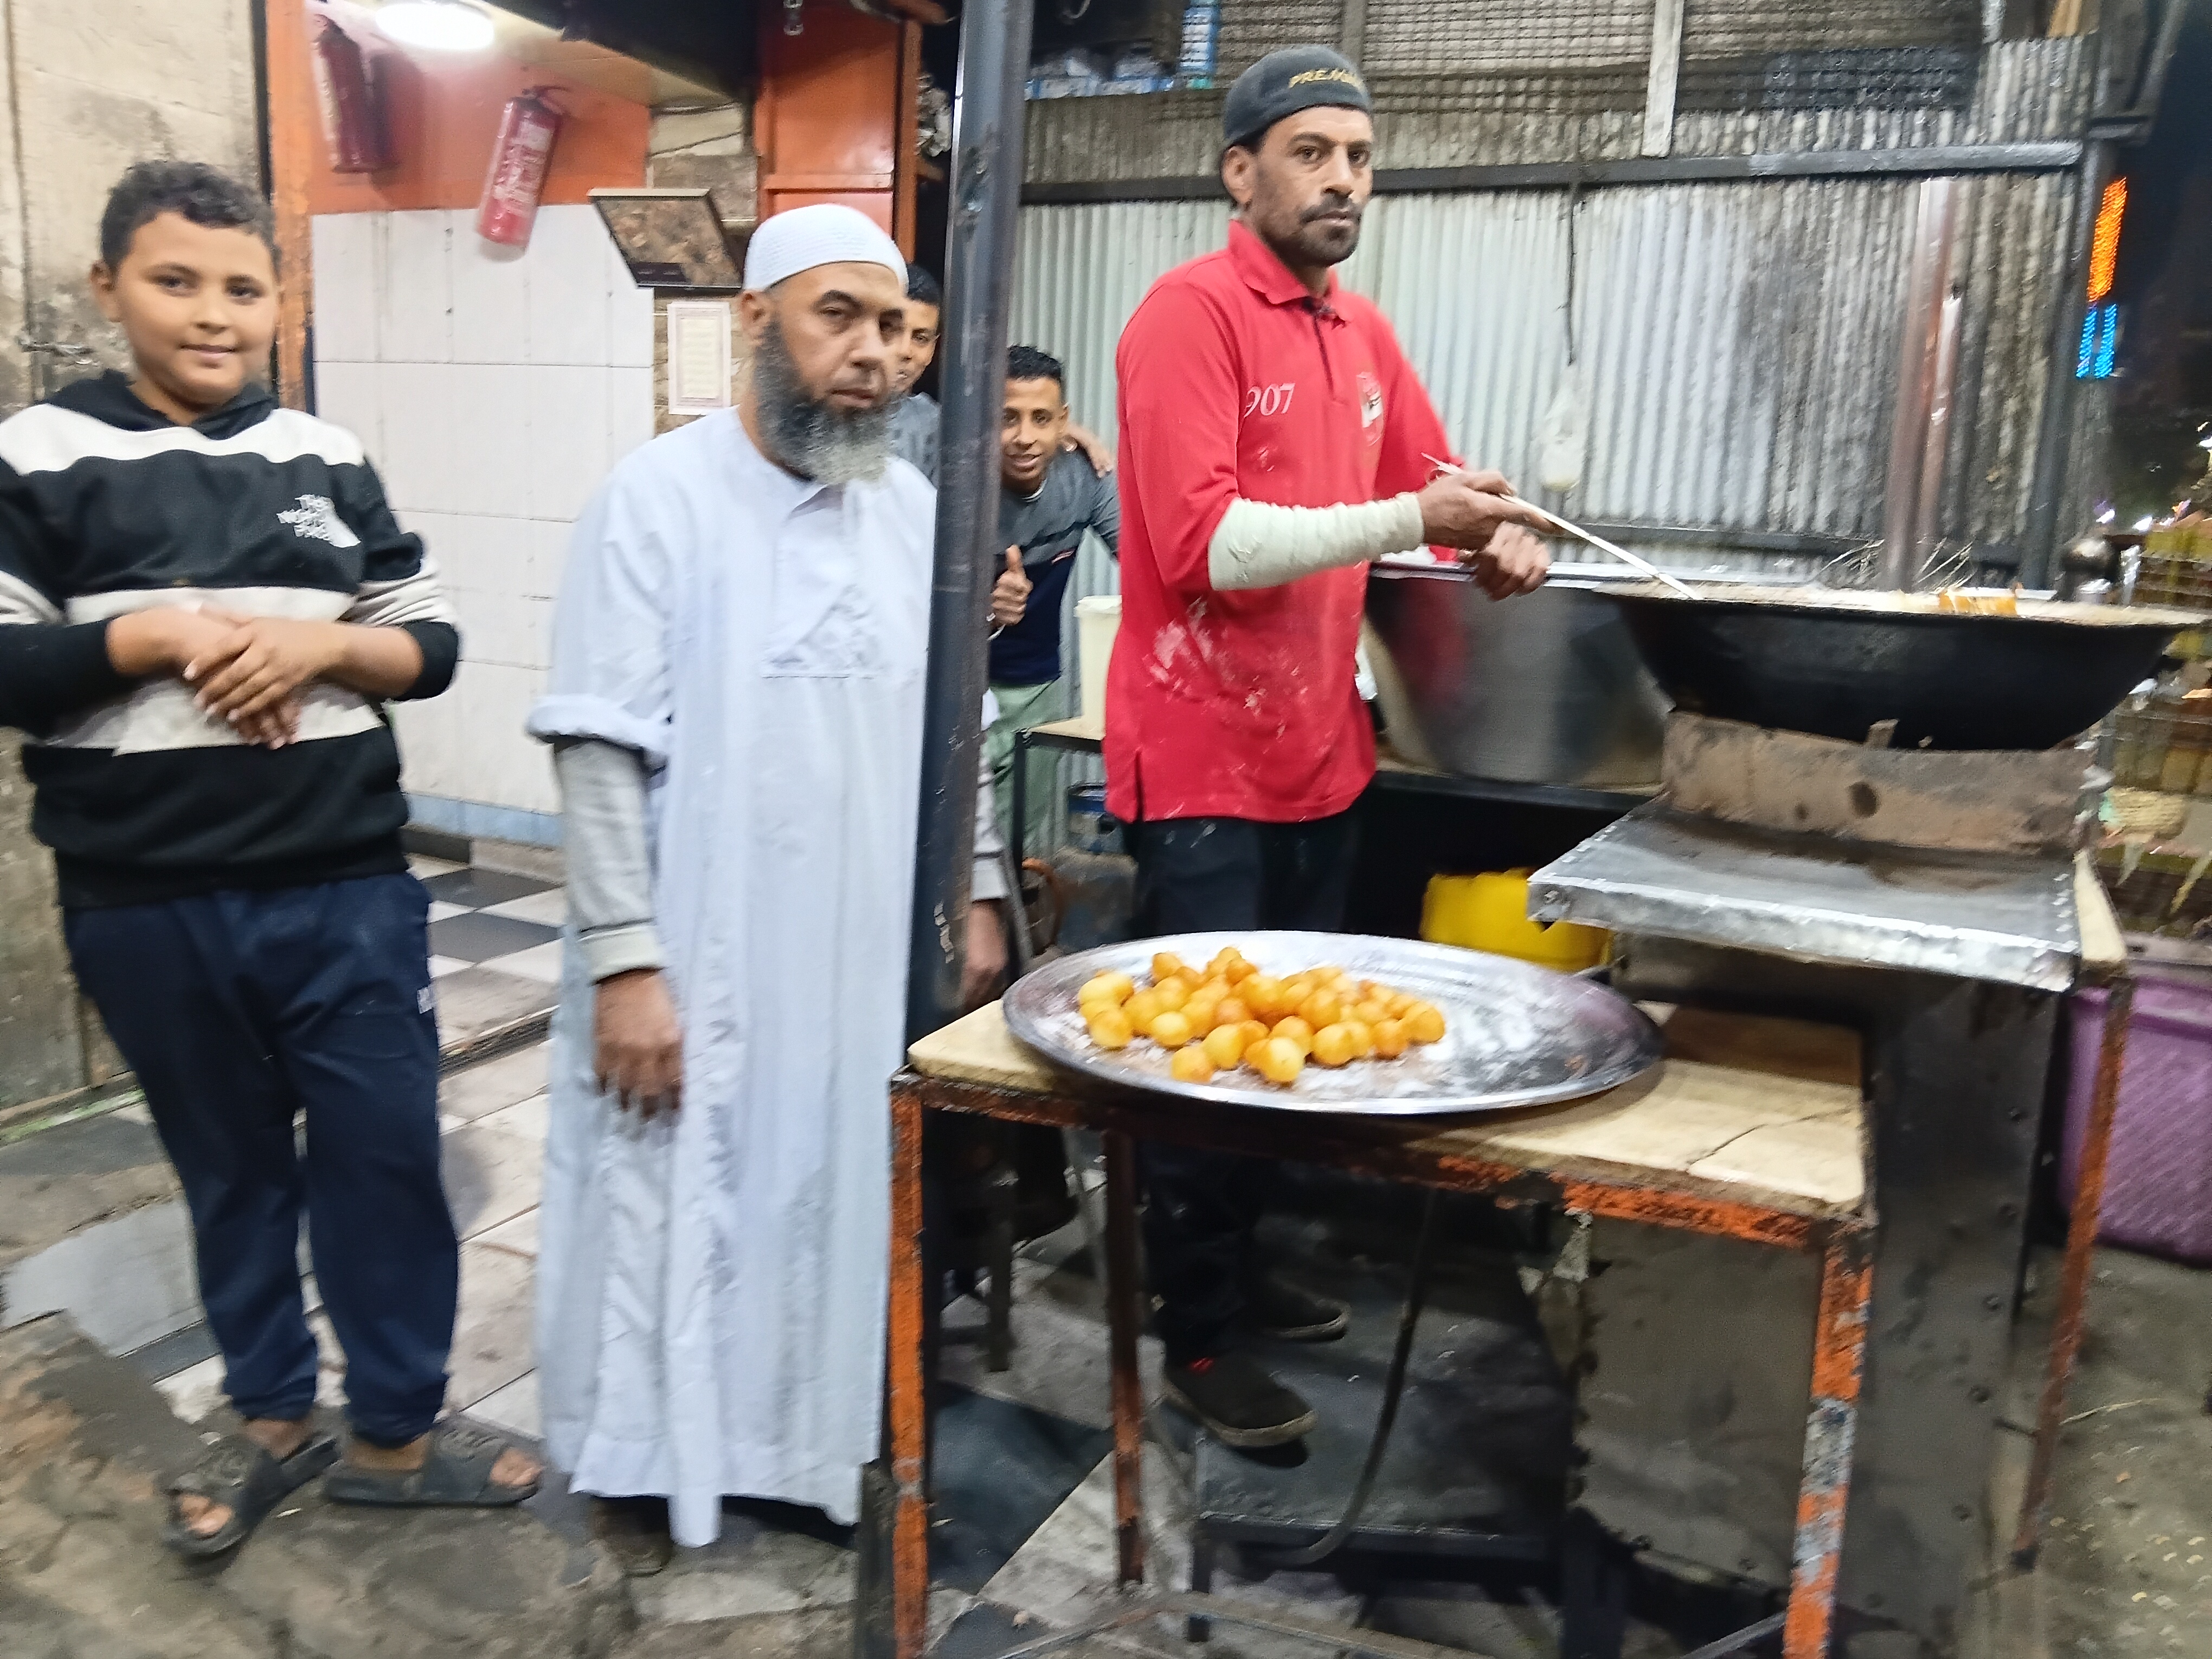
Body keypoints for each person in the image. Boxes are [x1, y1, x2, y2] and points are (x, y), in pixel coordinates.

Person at [0, 160, 541, 1557]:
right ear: (106, 287)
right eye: (175, 281)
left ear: (276, 299)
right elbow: (9, 655)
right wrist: (158, 637)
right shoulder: (40, 458)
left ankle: (396, 1433)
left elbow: (427, 637)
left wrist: (314, 644)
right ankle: (268, 1420)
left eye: (242, 288)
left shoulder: (323, 453)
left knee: (381, 1156)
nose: (212, 314)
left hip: (342, 887)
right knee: (229, 1167)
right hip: (144, 898)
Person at [527, 204, 1012, 1564]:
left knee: (829, 1194)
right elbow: (594, 749)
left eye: (895, 328)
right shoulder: (654, 497)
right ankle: (650, 1457)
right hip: (692, 953)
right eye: (836, 318)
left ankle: (806, 1450)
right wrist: (626, 961)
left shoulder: (917, 513)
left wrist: (972, 887)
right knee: (672, 1195)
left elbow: (949, 728)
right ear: (756, 325)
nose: (872, 356)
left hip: (852, 962)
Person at [1108, 47, 1552, 1449]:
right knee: (1200, 1057)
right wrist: (1421, 519)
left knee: (1291, 1049)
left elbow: (1432, 487)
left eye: (1359, 156)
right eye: (1311, 153)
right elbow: (1211, 545)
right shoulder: (1186, 318)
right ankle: (1191, 1339)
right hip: (1197, 764)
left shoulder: (1361, 335)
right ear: (1240, 174)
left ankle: (1237, 1272)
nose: (1344, 179)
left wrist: (1499, 527)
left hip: (1319, 756)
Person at [986, 344, 1120, 854]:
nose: (1025, 437)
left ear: (1064, 423)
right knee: (950, 858)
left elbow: (1145, 564)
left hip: (1038, 692)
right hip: (953, 696)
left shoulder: (1086, 478)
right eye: (1007, 418)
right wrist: (984, 610)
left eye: (1041, 419)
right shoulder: (951, 484)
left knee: (1012, 852)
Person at [886, 263, 1117, 485]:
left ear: (934, 346)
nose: (905, 351)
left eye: (921, 338)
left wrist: (1062, 428)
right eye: (891, 331)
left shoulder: (934, 424)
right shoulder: (852, 414)